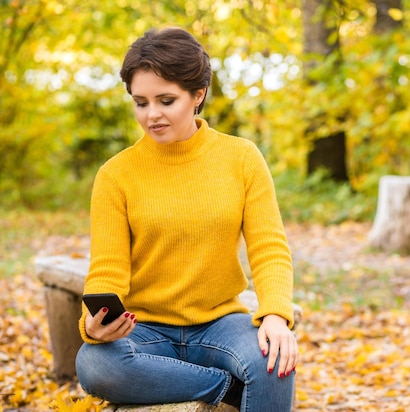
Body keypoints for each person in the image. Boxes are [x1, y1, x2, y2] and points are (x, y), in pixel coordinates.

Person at [75, 27, 298, 411]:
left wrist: (276, 314)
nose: (152, 115)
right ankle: (225, 388)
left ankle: (230, 382)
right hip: (142, 328)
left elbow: (269, 248)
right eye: (140, 102)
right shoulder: (116, 174)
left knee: (273, 360)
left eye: (166, 100)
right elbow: (107, 269)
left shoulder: (241, 158)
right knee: (93, 364)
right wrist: (92, 325)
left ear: (198, 95)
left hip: (220, 323)